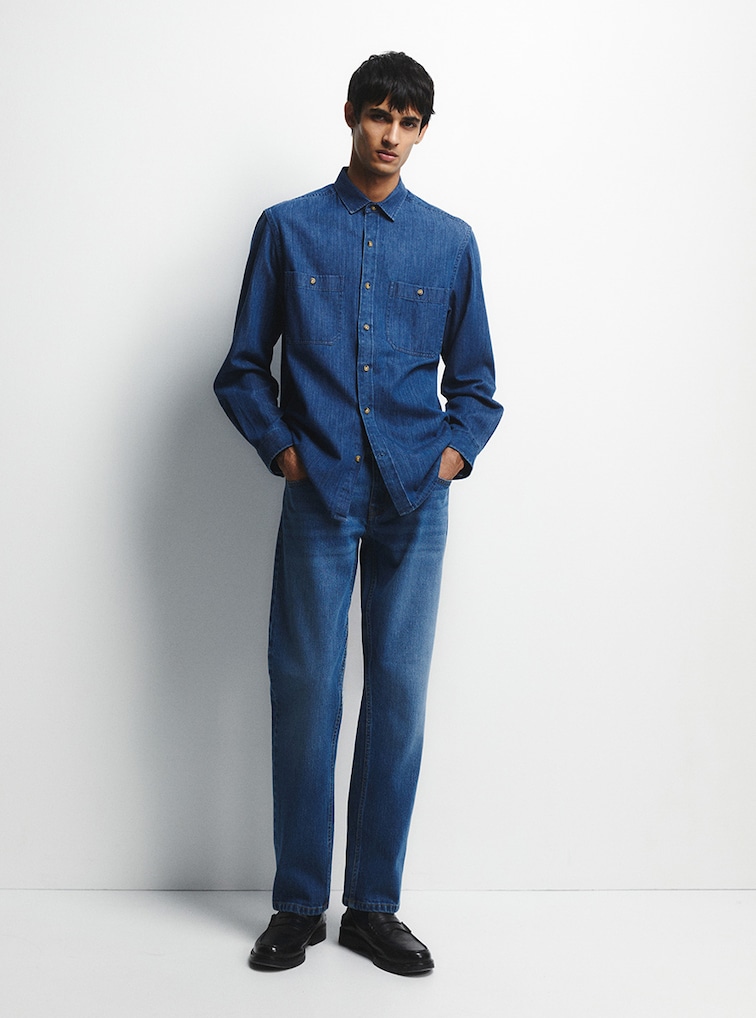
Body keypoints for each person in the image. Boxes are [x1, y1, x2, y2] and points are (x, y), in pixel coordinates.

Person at [214, 51, 503, 976]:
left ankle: (373, 906)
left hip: (415, 499)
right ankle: (299, 904)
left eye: (408, 122)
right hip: (321, 493)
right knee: (306, 691)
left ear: (422, 132)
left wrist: (451, 455)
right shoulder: (288, 228)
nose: (390, 135)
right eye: (379, 115)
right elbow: (242, 369)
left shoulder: (450, 241)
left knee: (399, 697)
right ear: (350, 115)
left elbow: (478, 386)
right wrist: (285, 452)